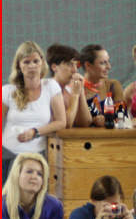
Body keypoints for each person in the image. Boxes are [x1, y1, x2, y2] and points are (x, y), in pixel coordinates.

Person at [2, 41, 66, 185]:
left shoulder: (51, 86)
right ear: (19, 65)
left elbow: (61, 122)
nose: (31, 66)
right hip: (8, 154)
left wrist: (35, 132)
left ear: (42, 63)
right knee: (7, 196)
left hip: (38, 154)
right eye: (26, 62)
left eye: (35, 61)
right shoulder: (7, 91)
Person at [46, 44, 92, 128]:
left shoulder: (69, 90)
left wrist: (81, 91)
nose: (75, 70)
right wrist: (75, 95)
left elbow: (85, 123)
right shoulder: (47, 90)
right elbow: (65, 125)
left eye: (76, 65)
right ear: (54, 67)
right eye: (69, 64)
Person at [80, 44, 123, 127]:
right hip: (84, 135)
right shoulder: (77, 89)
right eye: (103, 63)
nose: (109, 67)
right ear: (88, 65)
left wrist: (108, 121)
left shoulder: (113, 86)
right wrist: (93, 120)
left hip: (111, 135)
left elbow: (122, 118)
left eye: (108, 62)